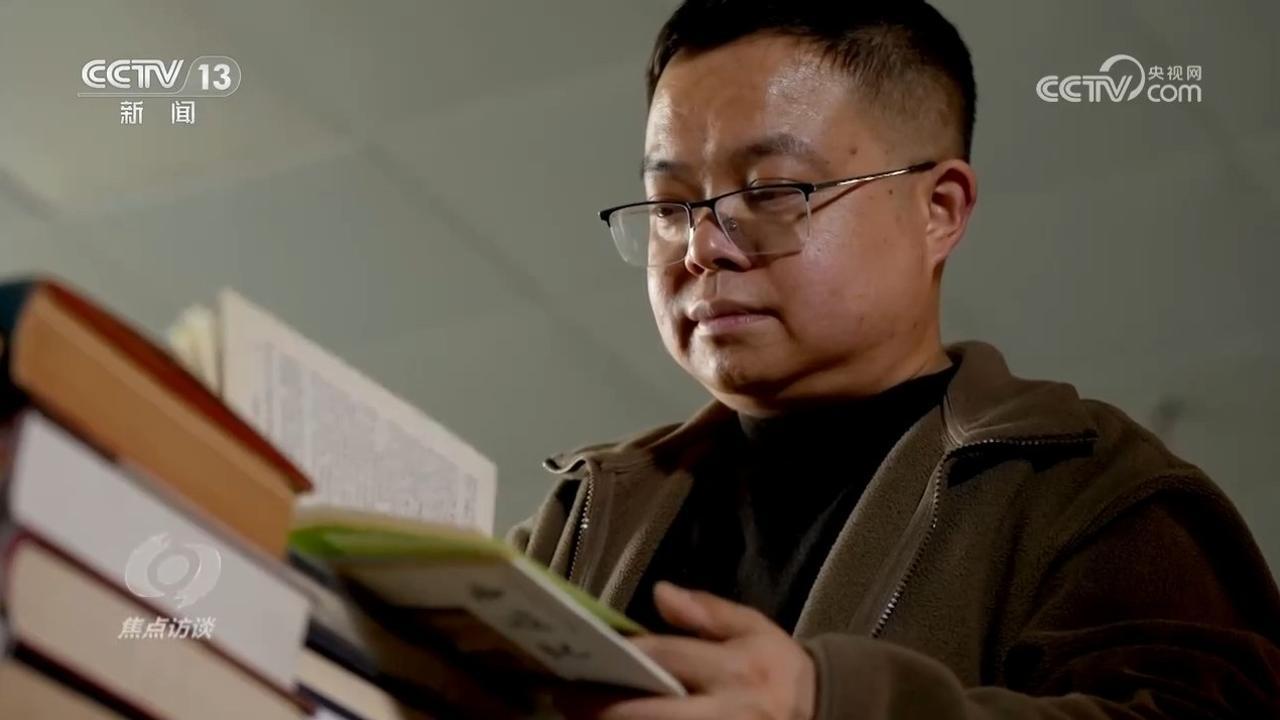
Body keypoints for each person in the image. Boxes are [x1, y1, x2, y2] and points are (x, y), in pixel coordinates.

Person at [510, 2, 1280, 718]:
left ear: (939, 210)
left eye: (772, 192)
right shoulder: (584, 518)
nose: (703, 247)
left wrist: (832, 703)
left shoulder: (1095, 494)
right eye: (671, 206)